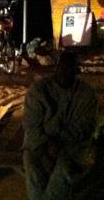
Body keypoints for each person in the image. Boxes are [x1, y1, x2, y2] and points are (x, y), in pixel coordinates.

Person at [23, 51, 97, 200]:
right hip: (39, 143)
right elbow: (32, 125)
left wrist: (58, 145)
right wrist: (45, 145)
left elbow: (84, 127)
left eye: (70, 68)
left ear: (76, 71)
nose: (66, 72)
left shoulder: (86, 93)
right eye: (63, 67)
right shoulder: (39, 90)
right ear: (57, 67)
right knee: (33, 167)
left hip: (72, 146)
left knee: (63, 170)